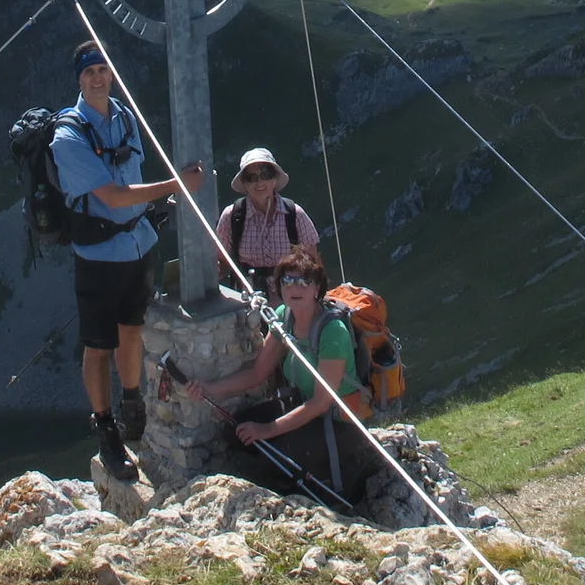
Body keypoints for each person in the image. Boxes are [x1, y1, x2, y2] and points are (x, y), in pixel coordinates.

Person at [51, 39, 204, 483]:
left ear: (111, 72)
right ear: (79, 79)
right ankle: (106, 430)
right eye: (88, 72)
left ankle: (133, 404)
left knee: (132, 329)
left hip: (137, 246)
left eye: (102, 68)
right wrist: (176, 185)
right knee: (98, 346)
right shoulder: (68, 135)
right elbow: (114, 197)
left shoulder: (124, 116)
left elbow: (131, 184)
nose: (97, 77)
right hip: (98, 256)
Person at [185, 249, 380, 505]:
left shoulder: (333, 331)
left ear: (317, 288)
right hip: (304, 406)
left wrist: (266, 429)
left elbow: (321, 402)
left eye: (303, 281)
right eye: (288, 280)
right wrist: (209, 389)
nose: (294, 287)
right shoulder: (283, 318)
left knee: (271, 458)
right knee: (236, 432)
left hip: (337, 423)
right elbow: (257, 373)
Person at [215, 147, 322, 296]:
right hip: (248, 300)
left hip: (290, 301)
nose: (259, 182)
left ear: (275, 178)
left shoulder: (295, 214)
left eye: (265, 174)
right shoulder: (231, 216)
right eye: (251, 177)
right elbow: (222, 262)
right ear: (244, 183)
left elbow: (313, 264)